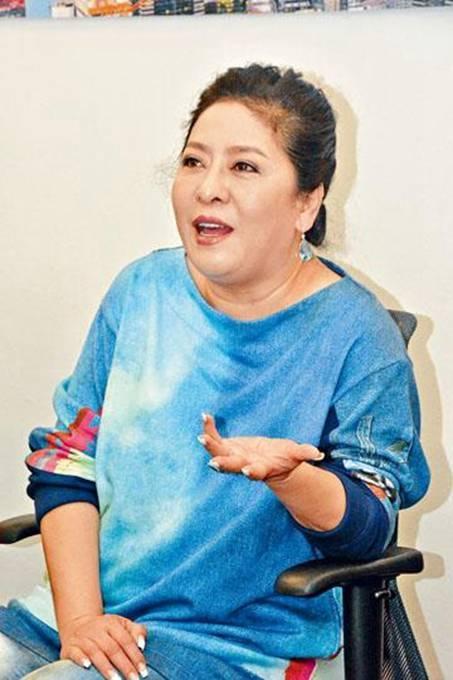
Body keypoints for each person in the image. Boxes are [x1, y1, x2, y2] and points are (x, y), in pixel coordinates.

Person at [0, 63, 430, 680]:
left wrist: (291, 478)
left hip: (234, 647)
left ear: (307, 202)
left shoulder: (358, 334)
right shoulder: (141, 290)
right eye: (194, 161)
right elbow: (68, 465)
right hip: (86, 622)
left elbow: (369, 529)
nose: (209, 188)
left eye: (244, 167)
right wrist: (81, 622)